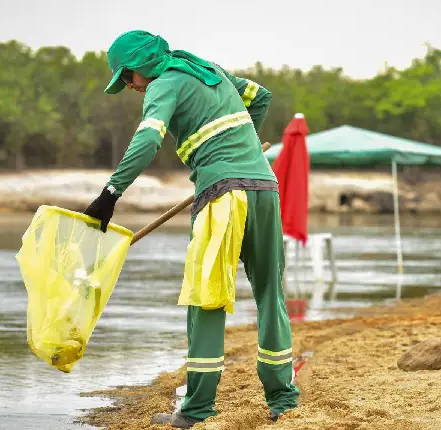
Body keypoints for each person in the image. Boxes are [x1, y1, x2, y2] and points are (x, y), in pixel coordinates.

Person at [82, 30, 299, 428]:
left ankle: (197, 409)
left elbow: (148, 139)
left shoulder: (163, 83)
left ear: (143, 66)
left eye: (128, 76)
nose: (129, 86)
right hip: (265, 189)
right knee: (270, 292)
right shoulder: (208, 69)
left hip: (223, 195)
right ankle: (284, 400)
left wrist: (110, 193)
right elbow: (260, 96)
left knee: (206, 297)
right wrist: (242, 147)